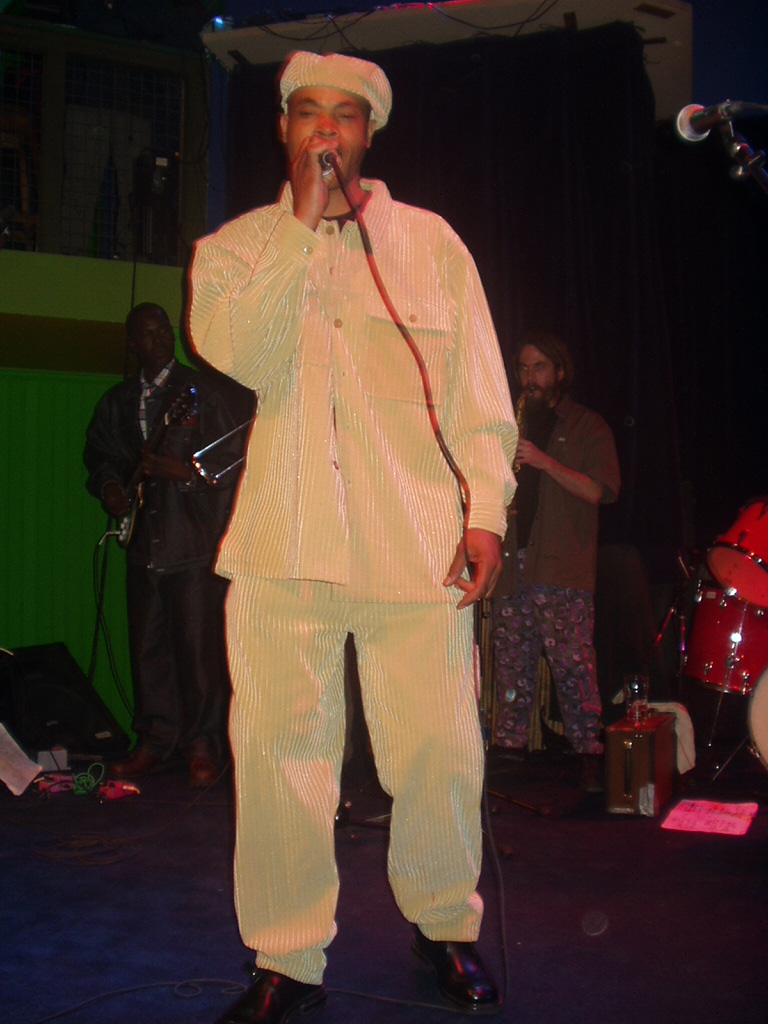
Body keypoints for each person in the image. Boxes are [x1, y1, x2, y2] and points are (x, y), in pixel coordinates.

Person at [187, 51, 517, 1023]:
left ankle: (444, 926)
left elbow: (480, 395)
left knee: (439, 750)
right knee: (279, 755)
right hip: (282, 542)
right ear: (283, 129)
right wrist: (299, 228)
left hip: (415, 539)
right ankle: (287, 959)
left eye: (345, 114)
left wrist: (486, 514)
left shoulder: (433, 244)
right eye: (307, 112)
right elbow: (243, 353)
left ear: (371, 132)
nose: (325, 129)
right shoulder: (235, 249)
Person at [84, 302, 253, 787]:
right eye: (148, 334)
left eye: (163, 332)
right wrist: (110, 486)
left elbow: (236, 458)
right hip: (144, 545)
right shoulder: (118, 402)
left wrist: (187, 473)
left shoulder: (202, 392)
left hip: (194, 543)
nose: (158, 340)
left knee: (199, 651)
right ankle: (155, 742)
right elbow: (100, 455)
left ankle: (203, 747)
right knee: (148, 649)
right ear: (131, 343)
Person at [492, 333, 620, 790]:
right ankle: (508, 748)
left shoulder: (587, 425)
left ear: (560, 372)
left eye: (540, 367)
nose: (530, 377)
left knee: (572, 665)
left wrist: (543, 461)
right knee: (511, 663)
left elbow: (598, 490)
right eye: (524, 368)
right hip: (513, 562)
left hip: (560, 565)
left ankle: (589, 751)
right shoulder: (511, 423)